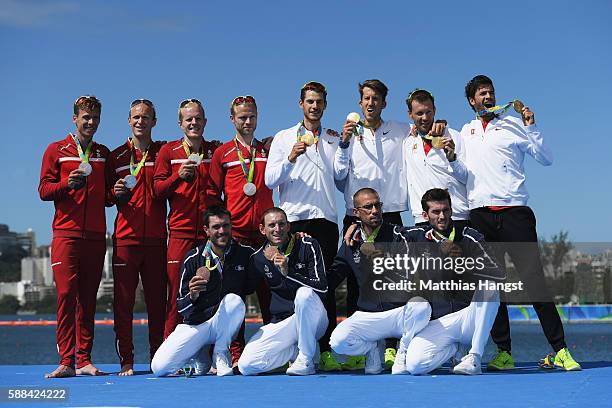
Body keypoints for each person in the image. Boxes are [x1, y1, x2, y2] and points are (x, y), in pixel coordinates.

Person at [452, 75, 580, 371]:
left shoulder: (514, 124)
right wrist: (450, 158)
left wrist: (531, 125)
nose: (488, 97)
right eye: (482, 93)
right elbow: (462, 174)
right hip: (480, 216)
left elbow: (546, 158)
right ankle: (504, 352)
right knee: (492, 287)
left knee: (534, 283)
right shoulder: (466, 133)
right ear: (471, 101)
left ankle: (560, 349)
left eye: (491, 92)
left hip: (515, 214)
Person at [264, 81, 342, 371]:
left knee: (326, 287)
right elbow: (270, 180)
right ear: (301, 104)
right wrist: (290, 158)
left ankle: (325, 351)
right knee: (291, 285)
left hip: (325, 219)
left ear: (324, 105)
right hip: (293, 219)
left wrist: (343, 146)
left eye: (319, 102)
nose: (314, 106)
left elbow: (341, 177)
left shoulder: (333, 139)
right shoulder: (284, 138)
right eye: (310, 101)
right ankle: (292, 350)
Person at [334, 80, 410, 368]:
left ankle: (392, 347)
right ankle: (363, 347)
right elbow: (339, 174)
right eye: (366, 98)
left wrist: (438, 125)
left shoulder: (401, 130)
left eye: (375, 98)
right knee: (356, 280)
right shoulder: (348, 134)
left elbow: (422, 131)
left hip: (388, 214)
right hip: (356, 215)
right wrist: (343, 143)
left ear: (383, 103)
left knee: (395, 280)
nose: (370, 103)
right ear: (360, 102)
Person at [39, 95, 110, 378]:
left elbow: (105, 197)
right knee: (66, 295)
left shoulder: (102, 153)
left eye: (95, 118)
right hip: (66, 234)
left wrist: (115, 193)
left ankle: (84, 360)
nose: (90, 123)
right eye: (86, 118)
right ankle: (66, 360)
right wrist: (66, 185)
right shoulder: (56, 150)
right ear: (75, 119)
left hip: (95, 235)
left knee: (88, 299)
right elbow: (44, 190)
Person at [397, 188, 503, 375]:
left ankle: (474, 357)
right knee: (415, 366)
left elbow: (498, 274)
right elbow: (388, 230)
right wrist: (356, 226)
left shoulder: (470, 236)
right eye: (435, 212)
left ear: (451, 211)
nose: (442, 216)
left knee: (489, 287)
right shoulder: (417, 236)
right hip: (439, 322)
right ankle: (452, 350)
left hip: (467, 317)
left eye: (445, 210)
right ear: (425, 215)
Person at [328, 188, 431, 374]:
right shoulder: (351, 243)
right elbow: (329, 281)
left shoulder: (399, 235)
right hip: (368, 316)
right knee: (337, 342)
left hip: (398, 314)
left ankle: (403, 351)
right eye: (368, 207)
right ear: (356, 213)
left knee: (421, 306)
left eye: (378, 205)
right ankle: (371, 349)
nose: (375, 210)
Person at [207, 96, 273, 364]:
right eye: (242, 117)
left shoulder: (269, 150)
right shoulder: (222, 153)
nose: (248, 122)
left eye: (252, 117)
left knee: (270, 297)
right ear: (232, 119)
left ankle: (272, 352)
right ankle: (234, 354)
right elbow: (212, 194)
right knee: (233, 299)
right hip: (236, 238)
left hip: (264, 235)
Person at [151, 207, 254, 377]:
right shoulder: (193, 258)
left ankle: (221, 354)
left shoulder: (244, 254)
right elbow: (180, 306)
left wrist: (296, 238)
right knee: (159, 368)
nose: (222, 231)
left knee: (234, 300)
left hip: (223, 324)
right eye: (216, 227)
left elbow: (267, 253)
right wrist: (192, 295)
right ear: (206, 230)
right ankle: (201, 354)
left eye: (226, 226)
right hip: (197, 324)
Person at [107, 99, 167, 376]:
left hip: (156, 240)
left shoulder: (163, 153)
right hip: (125, 241)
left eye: (146, 117)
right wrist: (114, 193)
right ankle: (127, 362)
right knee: (123, 304)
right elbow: (106, 198)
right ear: (129, 121)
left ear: (154, 122)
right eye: (135, 117)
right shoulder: (116, 156)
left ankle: (158, 358)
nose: (140, 121)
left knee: (158, 305)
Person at [153, 98, 221, 338]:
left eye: (198, 118)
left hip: (209, 237)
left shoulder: (215, 150)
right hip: (180, 235)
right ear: (180, 123)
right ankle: (169, 354)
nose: (194, 123)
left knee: (212, 292)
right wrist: (177, 177)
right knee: (176, 295)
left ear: (205, 121)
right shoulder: (168, 151)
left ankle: (212, 354)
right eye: (189, 119)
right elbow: (158, 190)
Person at [238, 208, 328, 376]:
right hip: (285, 323)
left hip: (315, 319)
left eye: (281, 224)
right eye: (271, 225)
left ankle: (306, 359)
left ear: (289, 226)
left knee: (304, 294)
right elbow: (246, 288)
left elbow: (322, 288)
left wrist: (288, 271)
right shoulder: (258, 258)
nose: (277, 229)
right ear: (262, 230)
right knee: (246, 365)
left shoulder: (308, 244)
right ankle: (292, 352)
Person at [403, 89, 469, 230]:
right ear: (410, 115)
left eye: (428, 112)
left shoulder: (454, 136)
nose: (425, 118)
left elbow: (467, 178)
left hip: (455, 217)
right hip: (423, 219)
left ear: (435, 110)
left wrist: (452, 159)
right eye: (419, 113)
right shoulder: (408, 142)